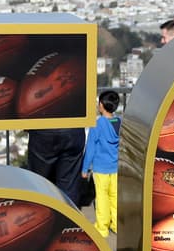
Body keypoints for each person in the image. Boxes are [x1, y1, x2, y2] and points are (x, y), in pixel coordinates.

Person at [82, 90, 121, 238]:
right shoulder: (119, 122)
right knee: (115, 197)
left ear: (101, 105)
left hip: (100, 169)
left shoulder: (97, 125)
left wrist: (85, 169)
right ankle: (116, 225)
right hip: (116, 168)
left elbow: (90, 148)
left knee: (102, 197)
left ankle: (102, 228)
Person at [25, 127, 86, 204]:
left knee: (38, 182)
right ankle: (68, 210)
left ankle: (39, 209)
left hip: (43, 130)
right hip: (73, 129)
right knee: (69, 185)